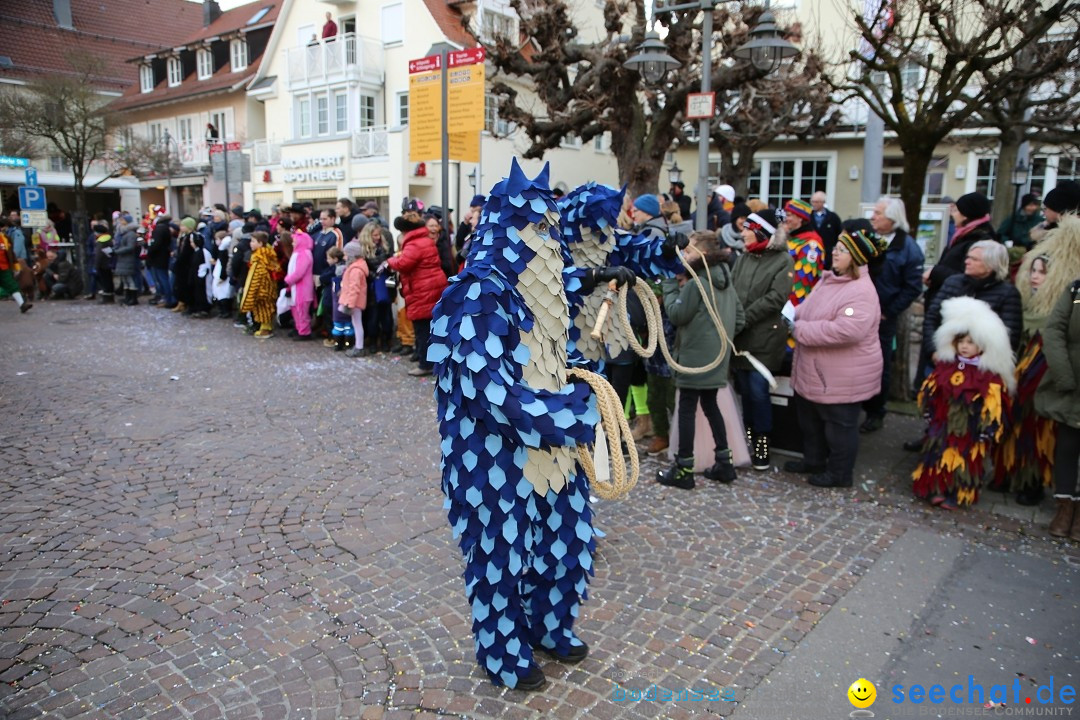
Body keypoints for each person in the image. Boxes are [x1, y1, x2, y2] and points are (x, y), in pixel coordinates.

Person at [427, 159, 604, 691]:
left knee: (569, 545)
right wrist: (571, 415)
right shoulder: (476, 296)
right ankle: (502, 650)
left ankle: (550, 625)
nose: (551, 240)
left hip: (554, 453)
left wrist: (585, 381)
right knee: (499, 562)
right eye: (539, 228)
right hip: (493, 461)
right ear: (508, 231)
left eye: (551, 227)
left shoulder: (540, 296)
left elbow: (551, 358)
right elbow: (489, 395)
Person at [787, 221, 883, 489]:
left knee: (839, 427)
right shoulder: (829, 280)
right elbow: (809, 309)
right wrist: (794, 315)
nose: (835, 253)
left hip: (842, 375)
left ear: (856, 257)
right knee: (811, 422)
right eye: (836, 248)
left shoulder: (861, 291)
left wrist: (801, 329)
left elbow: (847, 329)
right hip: (817, 371)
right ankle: (814, 461)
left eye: (841, 250)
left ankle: (840, 474)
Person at [657, 230, 745, 489]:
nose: (685, 255)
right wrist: (716, 338)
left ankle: (683, 469)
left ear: (702, 254)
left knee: (687, 408)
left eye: (690, 251)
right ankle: (724, 463)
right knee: (710, 405)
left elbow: (676, 314)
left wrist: (670, 284)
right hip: (717, 358)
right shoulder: (726, 281)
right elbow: (739, 319)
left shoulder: (697, 283)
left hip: (694, 358)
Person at [912, 297, 1015, 510]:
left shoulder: (988, 375)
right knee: (938, 452)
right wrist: (930, 410)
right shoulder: (946, 365)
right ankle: (936, 487)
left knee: (966, 457)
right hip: (943, 422)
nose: (965, 346)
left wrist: (987, 427)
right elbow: (932, 389)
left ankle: (958, 492)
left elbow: (995, 405)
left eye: (970, 342)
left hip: (970, 427)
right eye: (961, 341)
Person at [732, 209, 794, 470]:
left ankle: (762, 446)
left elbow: (775, 299)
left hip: (765, 338)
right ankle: (746, 440)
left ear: (760, 231)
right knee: (744, 391)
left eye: (747, 228)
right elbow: (733, 288)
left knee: (758, 392)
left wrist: (743, 317)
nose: (742, 232)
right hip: (740, 336)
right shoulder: (744, 257)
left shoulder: (783, 260)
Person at [862, 198, 925, 433]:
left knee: (880, 365)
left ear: (893, 218)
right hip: (860, 311)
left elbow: (913, 287)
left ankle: (876, 411)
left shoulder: (908, 248)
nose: (873, 216)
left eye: (878, 213)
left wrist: (889, 312)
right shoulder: (868, 240)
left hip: (883, 317)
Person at [1036, 277, 1080, 539]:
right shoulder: (1076, 290)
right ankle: (1064, 509)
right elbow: (1054, 330)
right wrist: (1064, 377)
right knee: (1067, 446)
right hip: (1071, 385)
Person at [383, 200, 448, 376]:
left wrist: (389, 261)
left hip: (423, 290)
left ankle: (425, 364)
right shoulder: (424, 240)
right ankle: (430, 361)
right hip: (430, 287)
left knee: (422, 329)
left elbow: (404, 263)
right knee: (430, 328)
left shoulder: (414, 243)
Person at [782, 199, 825, 311]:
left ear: (800, 217)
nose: (786, 219)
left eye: (789, 215)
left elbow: (802, 281)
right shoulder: (793, 238)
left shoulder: (811, 244)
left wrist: (791, 310)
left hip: (795, 307)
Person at [359, 222, 394, 354]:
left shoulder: (384, 247)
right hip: (372, 284)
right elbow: (364, 268)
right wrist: (375, 275)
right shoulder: (364, 249)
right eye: (375, 235)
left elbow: (390, 262)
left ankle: (386, 339)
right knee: (373, 315)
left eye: (379, 235)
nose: (378, 237)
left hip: (386, 283)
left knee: (386, 313)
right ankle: (373, 340)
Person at [239, 231, 279, 339]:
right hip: (269, 287)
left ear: (260, 243)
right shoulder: (269, 254)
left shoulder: (259, 258)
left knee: (263, 309)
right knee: (268, 308)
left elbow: (256, 277)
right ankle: (267, 327)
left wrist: (252, 292)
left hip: (262, 289)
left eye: (253, 241)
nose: (250, 244)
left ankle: (265, 329)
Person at [284, 228, 316, 341]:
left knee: (302, 311)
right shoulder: (298, 253)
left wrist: (288, 280)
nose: (292, 243)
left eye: (294, 241)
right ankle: (299, 329)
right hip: (295, 288)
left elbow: (299, 272)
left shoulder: (304, 254)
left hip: (302, 288)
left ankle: (304, 332)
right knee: (296, 309)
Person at [339, 240, 369, 357]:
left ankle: (359, 346)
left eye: (346, 254)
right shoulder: (356, 267)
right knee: (356, 323)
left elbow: (354, 289)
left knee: (357, 324)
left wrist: (349, 304)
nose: (344, 257)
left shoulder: (356, 270)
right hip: (355, 301)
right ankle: (358, 345)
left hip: (355, 303)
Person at [0, 227, 32, 313]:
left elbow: (11, 254)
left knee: (12, 286)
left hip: (4, 267)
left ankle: (22, 305)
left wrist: (15, 266)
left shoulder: (5, 238)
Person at [113, 215, 142, 306]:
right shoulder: (125, 233)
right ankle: (128, 297)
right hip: (123, 259)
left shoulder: (130, 234)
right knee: (125, 279)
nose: (121, 221)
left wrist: (117, 251)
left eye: (122, 220)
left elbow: (130, 247)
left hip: (128, 258)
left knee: (130, 279)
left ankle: (133, 298)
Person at [809, 191, 843, 269]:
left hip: (828, 254)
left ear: (823, 202)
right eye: (813, 201)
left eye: (817, 202)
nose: (814, 204)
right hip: (811, 252)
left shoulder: (833, 217)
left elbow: (839, 234)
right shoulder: (808, 216)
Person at [93, 224, 114, 304]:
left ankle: (107, 297)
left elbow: (98, 255)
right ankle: (110, 296)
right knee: (109, 280)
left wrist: (96, 265)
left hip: (102, 264)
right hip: (108, 263)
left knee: (105, 281)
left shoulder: (101, 241)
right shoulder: (109, 239)